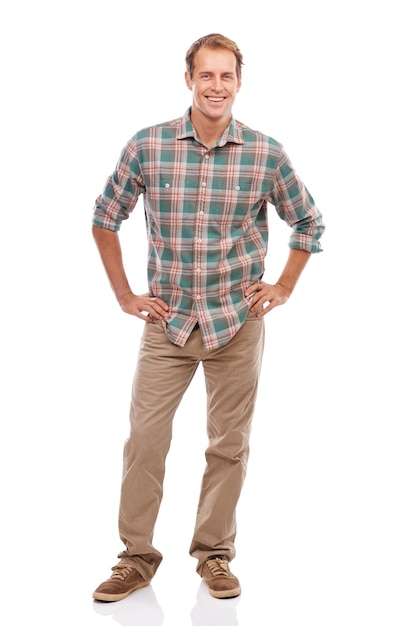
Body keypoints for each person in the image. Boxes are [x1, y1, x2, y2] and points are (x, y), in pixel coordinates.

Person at [91, 33, 325, 602]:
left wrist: (285, 286)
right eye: (206, 75)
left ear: (239, 83)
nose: (216, 86)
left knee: (228, 444)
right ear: (189, 80)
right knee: (145, 440)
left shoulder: (265, 153)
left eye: (226, 76)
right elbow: (104, 217)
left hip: (236, 323)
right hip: (167, 324)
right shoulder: (148, 146)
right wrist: (126, 296)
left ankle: (214, 557)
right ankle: (136, 559)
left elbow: (309, 224)